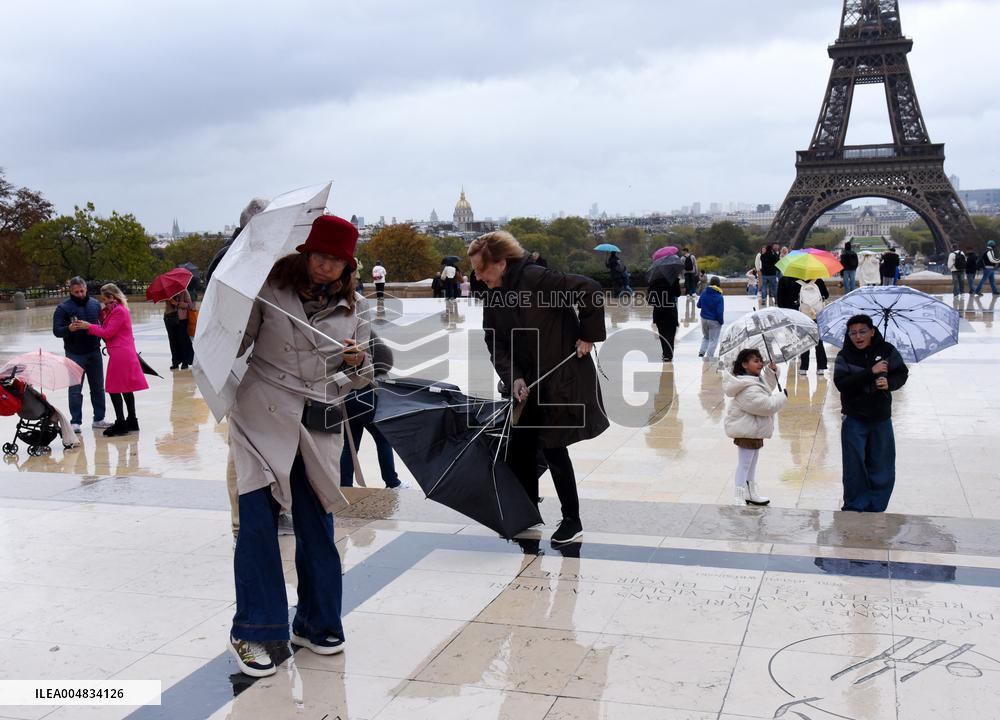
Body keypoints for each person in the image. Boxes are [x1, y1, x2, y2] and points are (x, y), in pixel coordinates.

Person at [225, 214, 373, 677]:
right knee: (257, 525)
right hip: (261, 416)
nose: (326, 266)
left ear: (348, 266)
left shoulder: (356, 308)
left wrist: (356, 361)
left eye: (337, 260)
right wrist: (231, 321)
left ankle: (316, 622)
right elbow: (236, 346)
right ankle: (253, 630)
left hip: (316, 421)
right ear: (305, 254)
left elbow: (362, 378)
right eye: (320, 256)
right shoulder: (269, 290)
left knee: (317, 527)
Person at [470, 230, 608, 546]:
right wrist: (513, 377)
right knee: (521, 446)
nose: (477, 277)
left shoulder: (537, 278)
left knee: (554, 447)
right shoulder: (493, 294)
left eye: (481, 269)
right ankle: (527, 510)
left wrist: (588, 334)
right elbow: (495, 340)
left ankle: (572, 520)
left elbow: (590, 289)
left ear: (501, 263)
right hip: (526, 381)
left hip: (559, 375)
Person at [834, 314, 908, 512]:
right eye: (853, 333)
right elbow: (842, 384)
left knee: (882, 465)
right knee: (854, 465)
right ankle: (854, 505)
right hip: (854, 418)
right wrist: (870, 372)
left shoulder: (887, 351)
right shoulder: (844, 356)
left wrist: (889, 383)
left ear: (872, 332)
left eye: (862, 332)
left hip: (881, 417)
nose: (858, 337)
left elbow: (902, 373)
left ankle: (877, 505)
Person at [70, 284, 148, 437]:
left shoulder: (119, 311)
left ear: (112, 297)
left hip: (120, 353)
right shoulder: (117, 310)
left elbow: (107, 333)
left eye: (105, 300)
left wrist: (88, 326)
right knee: (126, 388)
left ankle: (121, 423)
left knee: (113, 389)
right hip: (124, 352)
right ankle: (132, 420)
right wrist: (103, 316)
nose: (104, 303)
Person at [723, 349, 786, 506]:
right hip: (747, 431)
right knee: (745, 464)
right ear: (745, 364)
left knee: (751, 464)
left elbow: (766, 388)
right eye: (755, 361)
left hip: (754, 430)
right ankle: (738, 495)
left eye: (761, 360)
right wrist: (782, 397)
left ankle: (751, 493)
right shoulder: (746, 387)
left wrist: (772, 372)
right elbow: (766, 406)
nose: (760, 364)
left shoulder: (754, 381)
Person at [340, 334, 401, 489]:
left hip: (345, 394)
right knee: (383, 439)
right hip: (367, 393)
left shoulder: (335, 334)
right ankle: (392, 482)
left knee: (350, 444)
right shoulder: (363, 331)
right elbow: (385, 361)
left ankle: (345, 485)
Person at [52, 277, 110, 433]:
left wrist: (109, 344)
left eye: (82, 291)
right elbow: (56, 330)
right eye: (76, 292)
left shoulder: (95, 304)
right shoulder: (63, 308)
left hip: (94, 351)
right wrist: (68, 329)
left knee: (98, 388)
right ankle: (75, 422)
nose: (80, 294)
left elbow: (103, 326)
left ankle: (99, 418)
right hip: (74, 354)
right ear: (70, 291)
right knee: (75, 390)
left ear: (86, 289)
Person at [777, 275, 829, 376]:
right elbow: (826, 295)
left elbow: (790, 298)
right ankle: (821, 367)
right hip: (817, 314)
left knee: (804, 340)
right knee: (819, 341)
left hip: (802, 315)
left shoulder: (794, 281)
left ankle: (804, 367)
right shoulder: (818, 279)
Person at [648, 267, 681, 362]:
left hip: (659, 311)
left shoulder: (654, 281)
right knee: (670, 333)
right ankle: (668, 355)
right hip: (670, 311)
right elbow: (678, 294)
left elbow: (650, 299)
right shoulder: (673, 279)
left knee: (662, 333)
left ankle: (665, 353)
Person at [164, 288, 195, 369]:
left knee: (183, 341)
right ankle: (175, 362)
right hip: (169, 319)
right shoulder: (167, 292)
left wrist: (177, 303)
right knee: (172, 341)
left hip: (182, 320)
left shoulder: (184, 291)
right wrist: (168, 299)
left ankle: (185, 362)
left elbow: (190, 305)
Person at [696, 275, 724, 359]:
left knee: (706, 337)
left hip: (704, 319)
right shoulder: (719, 296)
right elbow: (719, 312)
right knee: (713, 340)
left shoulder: (704, 292)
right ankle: (709, 356)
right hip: (714, 321)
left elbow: (698, 305)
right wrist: (721, 321)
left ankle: (701, 352)